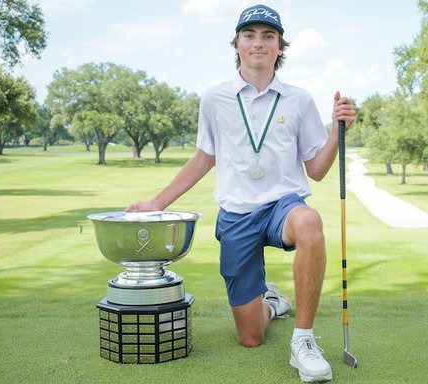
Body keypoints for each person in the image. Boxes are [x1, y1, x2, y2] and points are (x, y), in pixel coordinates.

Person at [126, 4, 356, 382]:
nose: (258, 43)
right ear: (236, 45)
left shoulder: (298, 100)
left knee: (310, 221)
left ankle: (303, 340)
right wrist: (156, 203)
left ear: (281, 46)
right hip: (236, 214)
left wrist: (336, 130)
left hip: (284, 205)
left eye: (268, 36)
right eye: (249, 36)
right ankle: (271, 303)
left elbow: (316, 170)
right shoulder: (214, 98)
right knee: (251, 337)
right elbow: (204, 158)